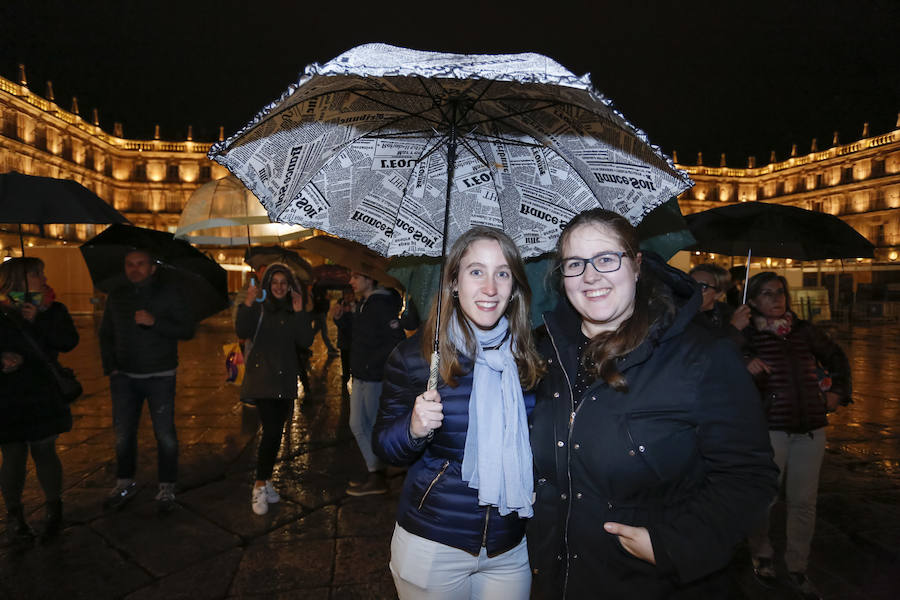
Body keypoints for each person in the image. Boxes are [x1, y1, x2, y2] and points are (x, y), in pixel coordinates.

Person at [528, 208, 778, 599]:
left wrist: (673, 544)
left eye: (607, 259)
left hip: (652, 583)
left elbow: (749, 476)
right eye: (575, 263)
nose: (591, 275)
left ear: (637, 265)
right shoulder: (547, 354)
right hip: (558, 578)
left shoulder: (702, 357)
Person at [373, 226, 544, 599]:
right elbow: (385, 447)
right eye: (476, 271)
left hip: (509, 546)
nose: (490, 288)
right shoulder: (417, 357)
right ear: (453, 281)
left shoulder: (531, 359)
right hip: (433, 544)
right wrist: (413, 429)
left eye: (503, 273)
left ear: (514, 286)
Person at [742, 272, 851, 600]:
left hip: (811, 428)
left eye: (780, 292)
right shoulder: (746, 335)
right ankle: (761, 553)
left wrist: (839, 392)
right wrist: (743, 358)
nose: (776, 299)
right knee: (765, 497)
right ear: (753, 300)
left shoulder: (804, 331)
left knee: (804, 502)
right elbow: (722, 366)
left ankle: (797, 565)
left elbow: (837, 357)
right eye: (766, 293)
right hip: (770, 429)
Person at [99, 248, 195, 513]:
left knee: (165, 434)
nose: (135, 269)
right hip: (124, 377)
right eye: (130, 264)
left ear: (153, 267)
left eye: (141, 264)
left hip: (160, 375)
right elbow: (105, 333)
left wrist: (156, 322)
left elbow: (187, 330)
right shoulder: (117, 295)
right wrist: (111, 367)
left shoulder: (169, 293)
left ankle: (166, 485)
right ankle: (124, 482)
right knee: (123, 434)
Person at [0, 258, 78, 543]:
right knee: (13, 455)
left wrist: (39, 321)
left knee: (45, 450)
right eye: (37, 273)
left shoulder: (53, 309)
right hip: (7, 395)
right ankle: (14, 515)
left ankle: (54, 510)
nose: (43, 277)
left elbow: (68, 341)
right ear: (19, 279)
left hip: (42, 392)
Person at [235, 264, 312, 515]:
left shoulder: (293, 309)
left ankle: (267, 481)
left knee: (277, 433)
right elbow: (241, 331)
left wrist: (301, 311)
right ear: (268, 285)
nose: (279, 287)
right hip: (263, 378)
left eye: (283, 282)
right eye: (274, 282)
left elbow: (306, 340)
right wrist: (247, 304)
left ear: (290, 285)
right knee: (270, 433)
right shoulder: (258, 307)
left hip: (285, 380)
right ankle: (258, 485)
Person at [343, 269, 405, 496]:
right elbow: (361, 337)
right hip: (360, 375)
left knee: (369, 425)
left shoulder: (381, 304)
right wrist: (342, 318)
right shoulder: (364, 304)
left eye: (355, 276)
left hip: (373, 377)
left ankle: (377, 476)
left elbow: (396, 339)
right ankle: (376, 472)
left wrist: (371, 364)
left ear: (369, 278)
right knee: (357, 424)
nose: (351, 281)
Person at [689, 263, 749, 344]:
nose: (693, 290)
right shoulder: (676, 315)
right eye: (689, 283)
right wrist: (734, 329)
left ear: (719, 293)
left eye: (702, 286)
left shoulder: (728, 315)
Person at [330, 286, 356, 393]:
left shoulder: (358, 305)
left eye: (350, 294)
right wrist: (339, 315)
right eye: (346, 294)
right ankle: (345, 386)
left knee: (354, 367)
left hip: (356, 343)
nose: (348, 296)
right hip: (345, 342)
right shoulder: (340, 306)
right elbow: (340, 324)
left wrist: (352, 311)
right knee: (345, 365)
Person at [310, 283, 339, 357]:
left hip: (321, 312)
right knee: (324, 331)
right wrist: (325, 299)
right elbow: (318, 302)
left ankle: (303, 343)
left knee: (316, 330)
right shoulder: (318, 288)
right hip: (320, 313)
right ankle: (330, 348)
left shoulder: (321, 287)